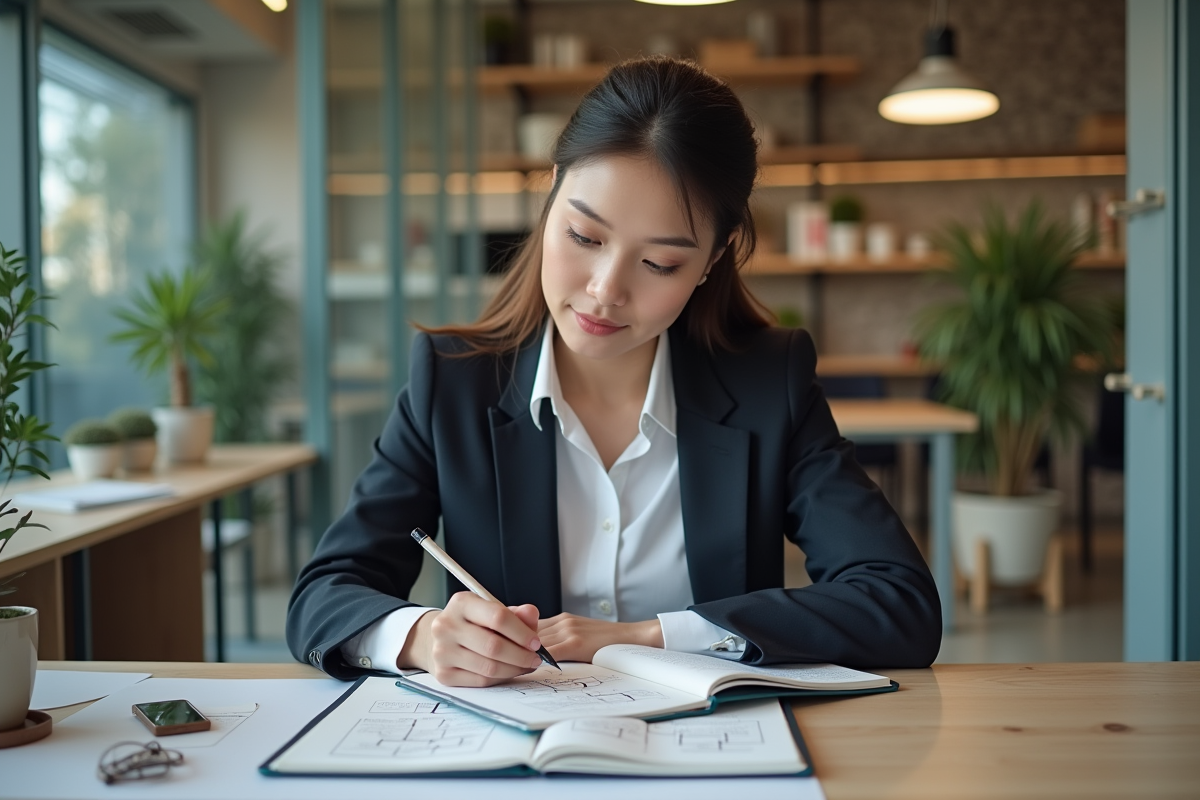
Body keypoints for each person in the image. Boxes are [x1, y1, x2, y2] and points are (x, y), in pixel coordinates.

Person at [287, 56, 941, 685]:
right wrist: (424, 637)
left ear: (711, 262)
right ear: (551, 193)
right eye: (585, 237)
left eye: (659, 264)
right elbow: (324, 596)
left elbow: (900, 604)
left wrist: (650, 636)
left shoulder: (770, 384)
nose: (605, 291)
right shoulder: (453, 383)